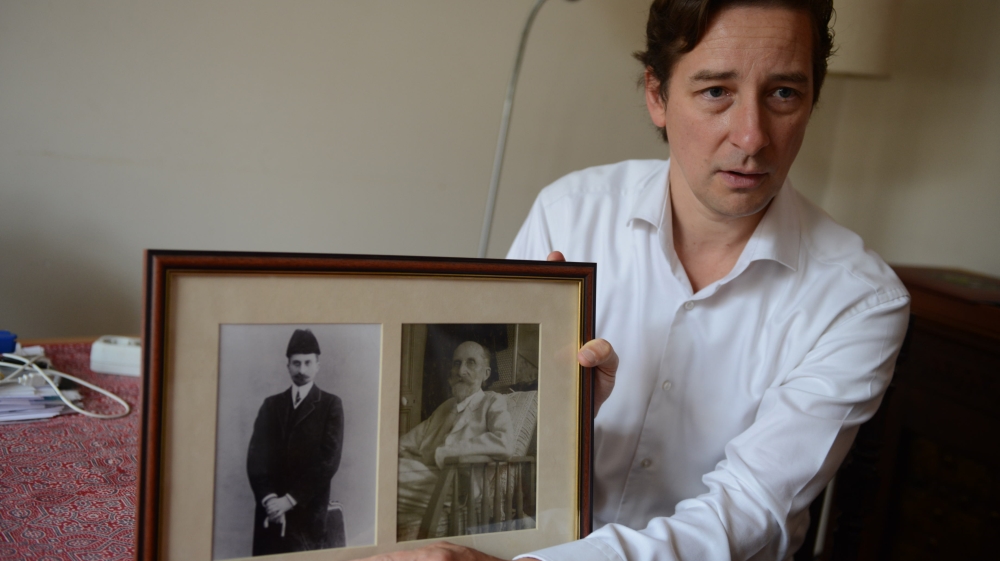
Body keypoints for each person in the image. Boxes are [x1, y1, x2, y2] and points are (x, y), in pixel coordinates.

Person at [370, 0, 909, 560]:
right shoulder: (568, 214)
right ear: (657, 95)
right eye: (716, 91)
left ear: (811, 101)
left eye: (782, 93)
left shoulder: (861, 299)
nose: (751, 137)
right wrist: (564, 412)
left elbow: (750, 508)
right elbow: (510, 460)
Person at [396, 341, 515, 540]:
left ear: (485, 374)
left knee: (384, 480)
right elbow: (407, 443)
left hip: (459, 486)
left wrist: (445, 452)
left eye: (470, 363)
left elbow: (505, 443)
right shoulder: (446, 407)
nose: (461, 371)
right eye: (456, 363)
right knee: (381, 471)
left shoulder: (491, 402)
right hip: (426, 477)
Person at [246, 328, 345, 555]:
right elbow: (256, 458)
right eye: (296, 363)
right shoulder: (270, 405)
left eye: (308, 363)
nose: (302, 370)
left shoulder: (330, 405)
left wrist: (289, 500)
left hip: (307, 512)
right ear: (287, 365)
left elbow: (329, 461)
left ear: (318, 365)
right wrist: (270, 499)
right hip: (270, 514)